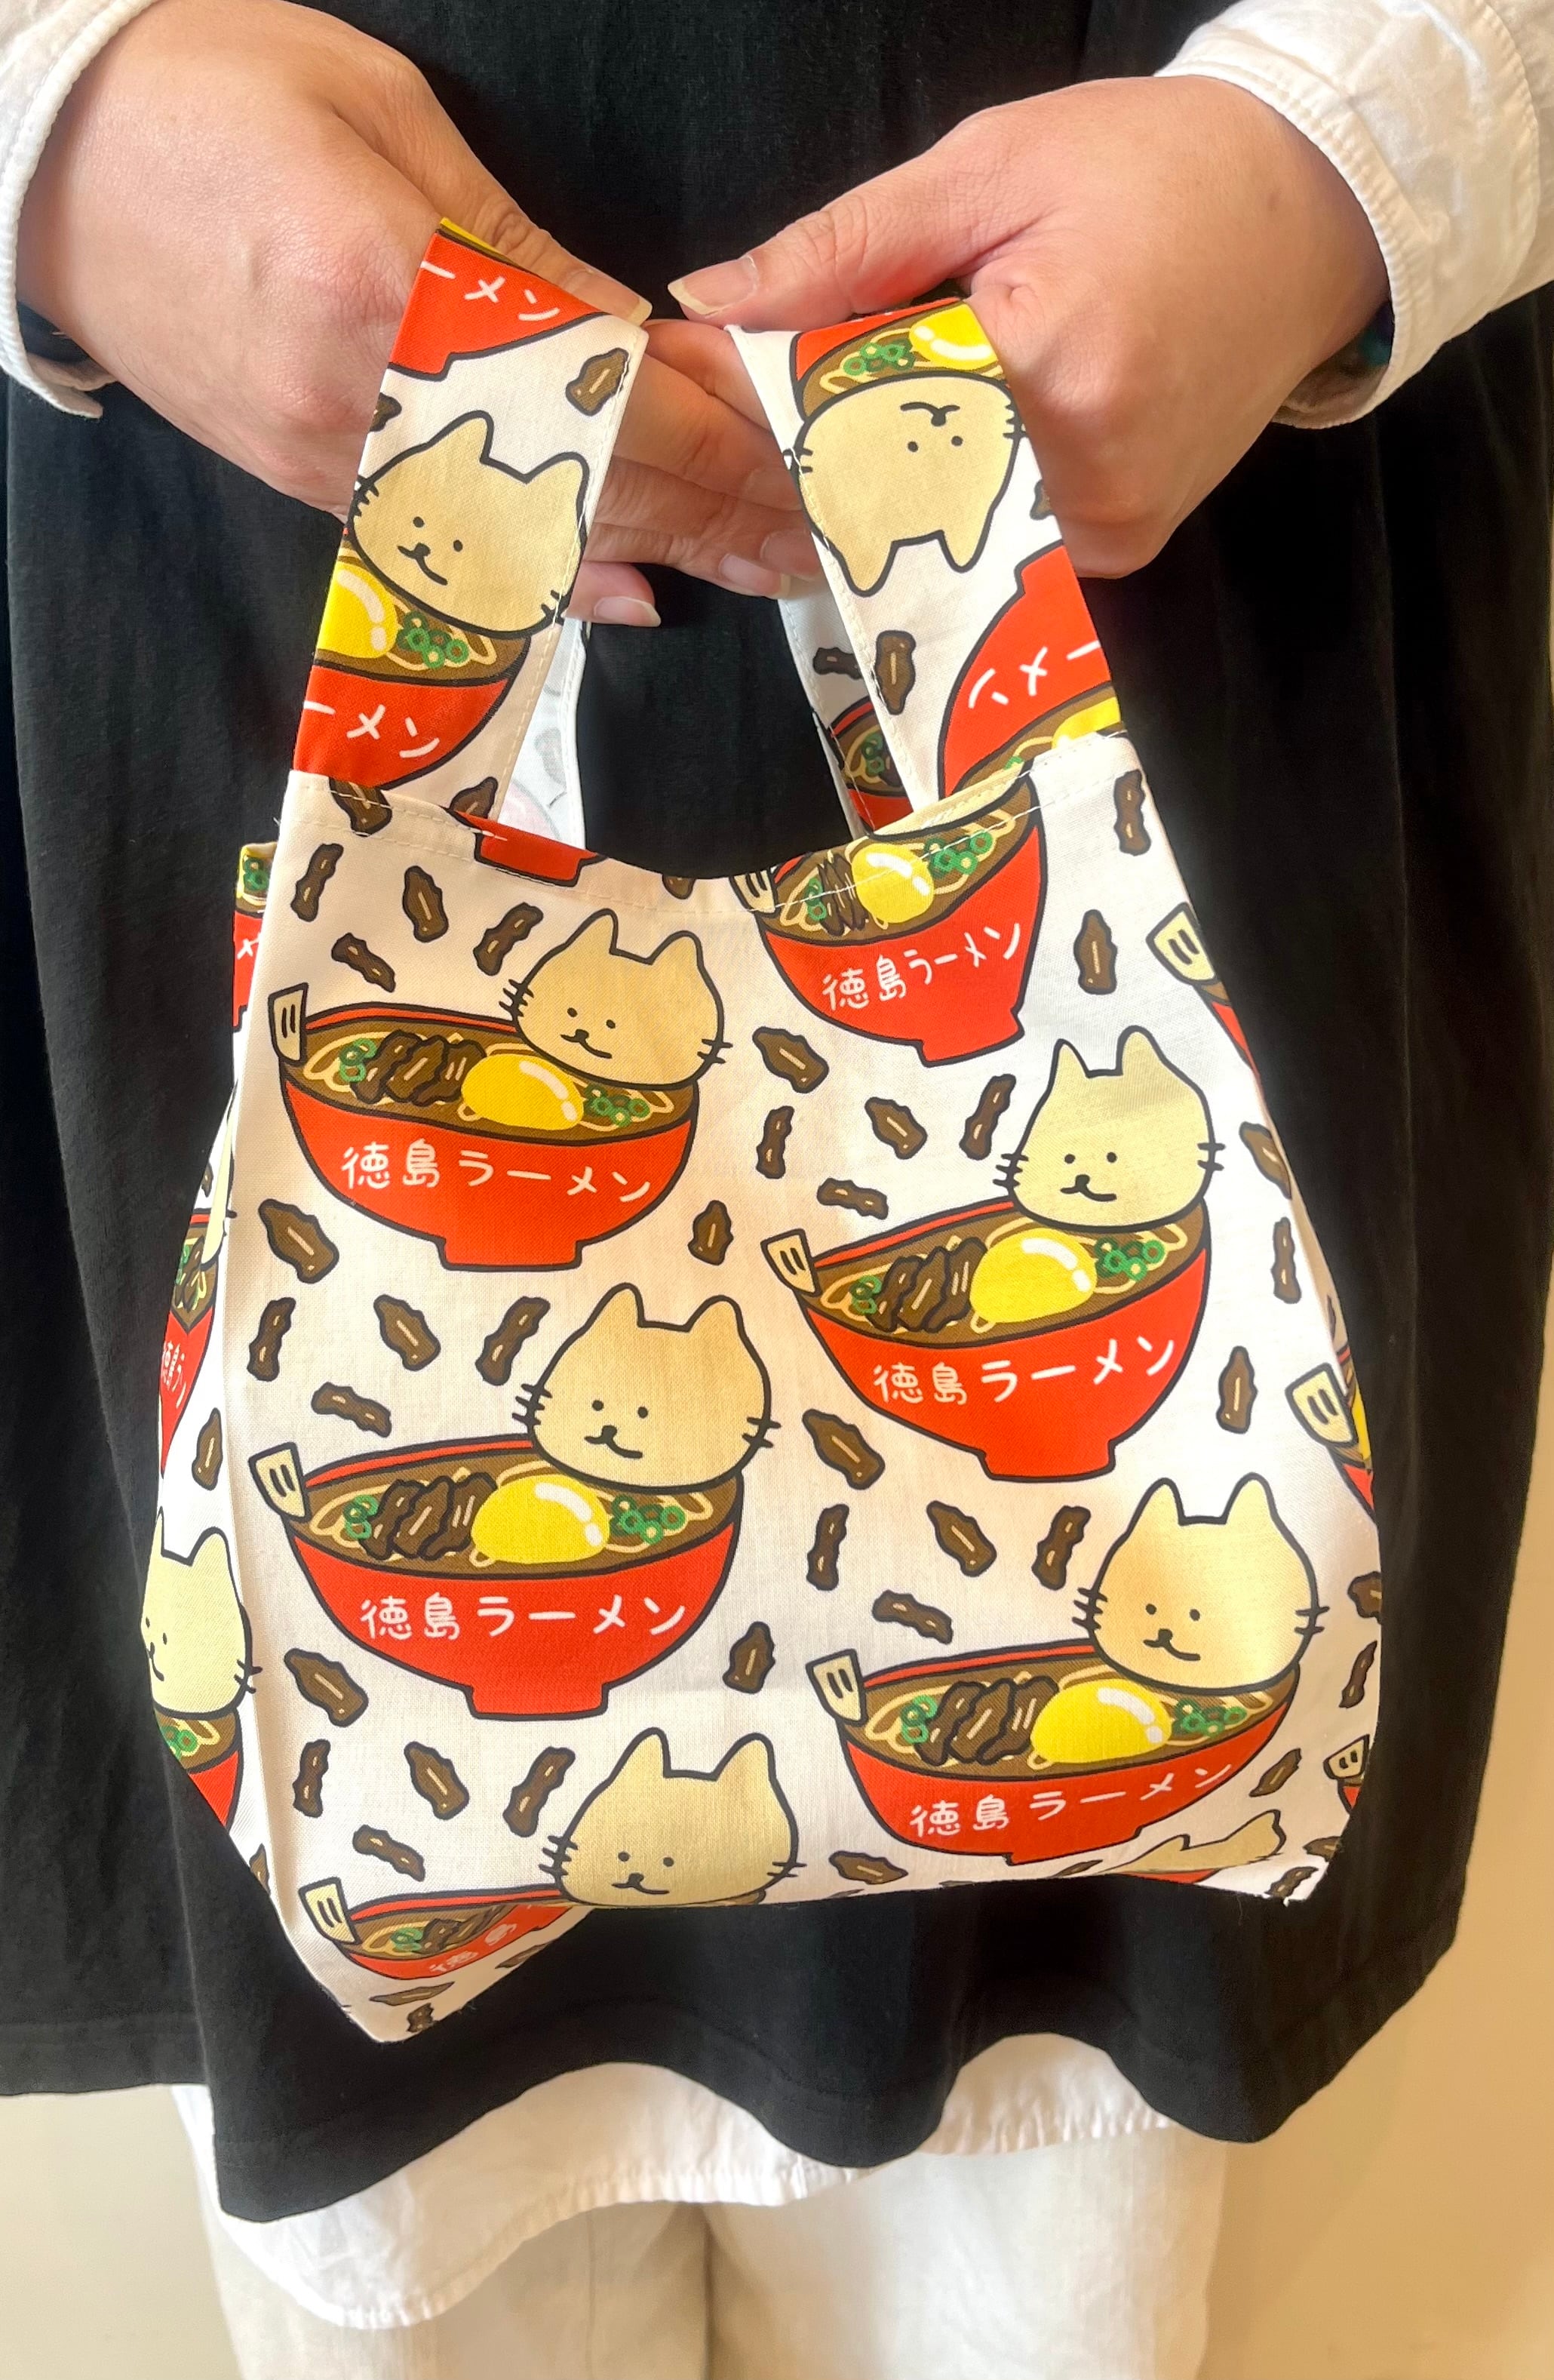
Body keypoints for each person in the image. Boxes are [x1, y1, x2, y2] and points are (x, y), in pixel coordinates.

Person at [2, 2, 1551, 2373]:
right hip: (226, 448)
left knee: (1048, 2253)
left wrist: (1354, 136)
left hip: (1190, 469)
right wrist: (50, 115)